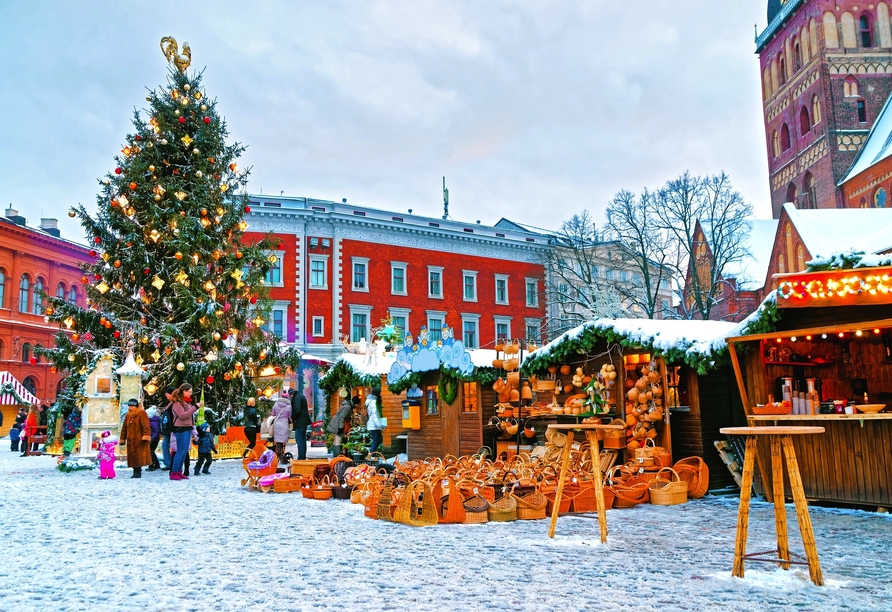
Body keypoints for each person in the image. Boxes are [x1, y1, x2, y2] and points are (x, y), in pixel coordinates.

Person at [169, 383, 198, 481]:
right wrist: (195, 407)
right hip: (180, 429)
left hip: (186, 428)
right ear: (184, 391)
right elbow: (182, 415)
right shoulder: (177, 403)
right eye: (189, 391)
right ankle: (174, 473)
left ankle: (178, 472)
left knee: (184, 451)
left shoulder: (185, 402)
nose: (191, 393)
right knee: (180, 451)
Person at [119, 398, 152, 479]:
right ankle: (135, 471)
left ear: (136, 406)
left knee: (138, 457)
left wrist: (146, 436)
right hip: (131, 440)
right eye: (129, 406)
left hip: (139, 440)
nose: (130, 408)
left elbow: (146, 426)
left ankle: (138, 472)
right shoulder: (128, 415)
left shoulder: (141, 413)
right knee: (133, 457)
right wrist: (122, 438)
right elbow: (124, 428)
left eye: (132, 406)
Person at [326, 391, 353, 458]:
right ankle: (338, 458)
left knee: (336, 441)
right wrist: (341, 428)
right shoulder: (348, 407)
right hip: (338, 426)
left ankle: (335, 457)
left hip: (335, 424)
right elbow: (342, 417)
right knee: (338, 441)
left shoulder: (345, 405)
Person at [290, 388, 311, 461]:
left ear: (292, 394)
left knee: (300, 440)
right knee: (302, 439)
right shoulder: (300, 396)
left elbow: (297, 410)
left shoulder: (297, 398)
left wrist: (292, 417)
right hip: (303, 421)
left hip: (300, 422)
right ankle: (302, 456)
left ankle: (301, 457)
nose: (290, 397)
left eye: (290, 396)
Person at [270, 394, 292, 462]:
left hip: (277, 423)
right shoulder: (289, 406)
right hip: (284, 424)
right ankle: (281, 457)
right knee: (282, 441)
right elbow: (289, 415)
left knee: (278, 441)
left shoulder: (276, 405)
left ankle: (277, 457)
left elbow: (273, 414)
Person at [159, 386, 176, 470]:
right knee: (166, 446)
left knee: (168, 446)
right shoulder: (171, 404)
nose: (166, 395)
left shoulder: (174, 404)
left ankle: (171, 464)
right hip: (168, 430)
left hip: (171, 430)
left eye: (167, 394)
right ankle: (169, 463)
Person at [365, 387, 384, 454]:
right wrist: (379, 424)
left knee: (379, 440)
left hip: (374, 424)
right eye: (380, 392)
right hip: (374, 424)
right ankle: (371, 456)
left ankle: (372, 454)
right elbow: (374, 414)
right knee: (376, 440)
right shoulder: (373, 402)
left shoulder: (374, 401)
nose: (381, 394)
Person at [146, 406, 161, 471]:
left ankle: (151, 465)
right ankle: (156, 465)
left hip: (153, 438)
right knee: (151, 451)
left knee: (150, 451)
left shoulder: (153, 421)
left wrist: (152, 439)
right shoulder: (153, 420)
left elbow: (156, 431)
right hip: (154, 438)